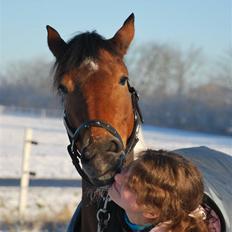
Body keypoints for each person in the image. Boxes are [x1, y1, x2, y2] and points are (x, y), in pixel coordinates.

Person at [108, 149, 209, 232]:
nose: (117, 177)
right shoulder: (113, 207)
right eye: (126, 169)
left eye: (129, 186)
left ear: (151, 212)